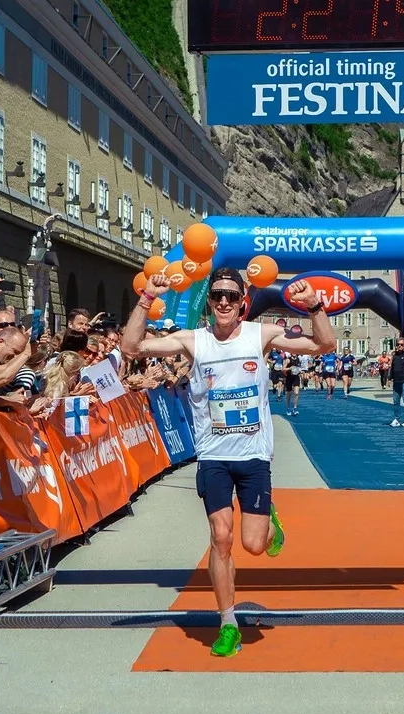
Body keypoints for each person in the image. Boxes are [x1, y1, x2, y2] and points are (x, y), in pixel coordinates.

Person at [120, 266, 335, 658]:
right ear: (210, 303)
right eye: (217, 295)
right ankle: (228, 623)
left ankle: (271, 523)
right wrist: (147, 297)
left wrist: (314, 306)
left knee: (254, 544)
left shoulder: (261, 334)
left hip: (253, 456)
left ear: (242, 303)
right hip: (214, 455)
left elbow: (325, 346)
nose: (223, 301)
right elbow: (132, 348)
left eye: (231, 296)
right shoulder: (193, 340)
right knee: (221, 537)